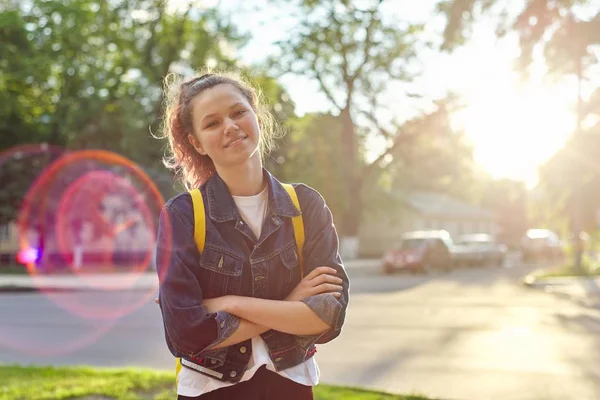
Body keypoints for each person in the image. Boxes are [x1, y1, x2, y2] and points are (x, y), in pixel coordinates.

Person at [155, 71, 350, 399]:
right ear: (196, 142)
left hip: (292, 386)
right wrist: (290, 305)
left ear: (256, 117)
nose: (230, 126)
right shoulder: (182, 215)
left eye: (237, 112)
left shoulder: (306, 205)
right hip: (209, 390)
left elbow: (329, 316)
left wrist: (231, 303)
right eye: (212, 123)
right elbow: (184, 334)